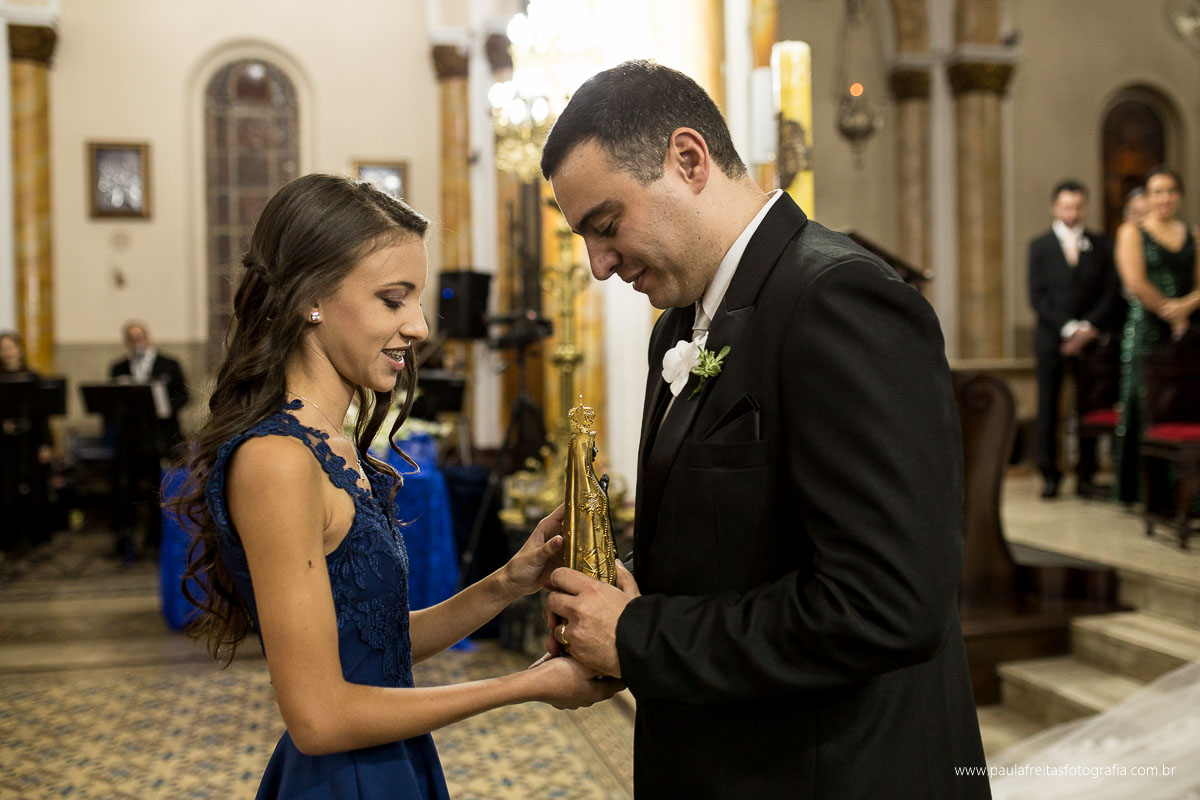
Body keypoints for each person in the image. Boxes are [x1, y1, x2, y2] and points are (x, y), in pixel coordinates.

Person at [538, 61, 989, 799]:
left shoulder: (839, 301)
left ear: (689, 160)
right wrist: (618, 594)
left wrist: (639, 636)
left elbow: (888, 603)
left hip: (831, 772)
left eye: (607, 225)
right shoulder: (679, 329)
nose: (598, 264)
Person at [171, 173, 618, 800]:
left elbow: (375, 641)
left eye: (418, 300)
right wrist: (528, 685)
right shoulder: (277, 460)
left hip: (390, 763)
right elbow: (319, 718)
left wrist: (507, 582)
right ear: (312, 299)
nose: (419, 326)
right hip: (345, 776)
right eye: (393, 299)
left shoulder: (328, 443)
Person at [1027, 180, 1121, 498]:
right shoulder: (1039, 246)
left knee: (1088, 408)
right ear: (1055, 207)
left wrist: (1087, 329)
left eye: (1078, 206)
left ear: (1085, 207)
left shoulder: (1102, 245)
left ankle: (1086, 475)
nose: (1072, 212)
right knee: (1049, 407)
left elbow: (1110, 292)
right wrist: (1068, 329)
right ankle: (1049, 474)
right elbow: (1037, 296)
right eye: (1066, 206)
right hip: (1051, 338)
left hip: (1092, 341)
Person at [1112, 166, 1200, 504]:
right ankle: (1145, 492)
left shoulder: (1193, 234)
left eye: (1171, 191)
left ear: (1179, 195)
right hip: (1147, 330)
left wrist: (1185, 310)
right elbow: (1135, 282)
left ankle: (1188, 492)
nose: (1164, 198)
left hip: (1187, 331)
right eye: (1157, 192)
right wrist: (1169, 312)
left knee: (1185, 405)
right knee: (1144, 404)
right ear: (1147, 197)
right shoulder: (1132, 232)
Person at [109, 320, 190, 454]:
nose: (136, 342)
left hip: (162, 430)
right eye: (131, 339)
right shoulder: (119, 368)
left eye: (139, 337)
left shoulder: (169, 364)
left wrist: (165, 409)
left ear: (148, 338)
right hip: (132, 432)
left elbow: (183, 395)